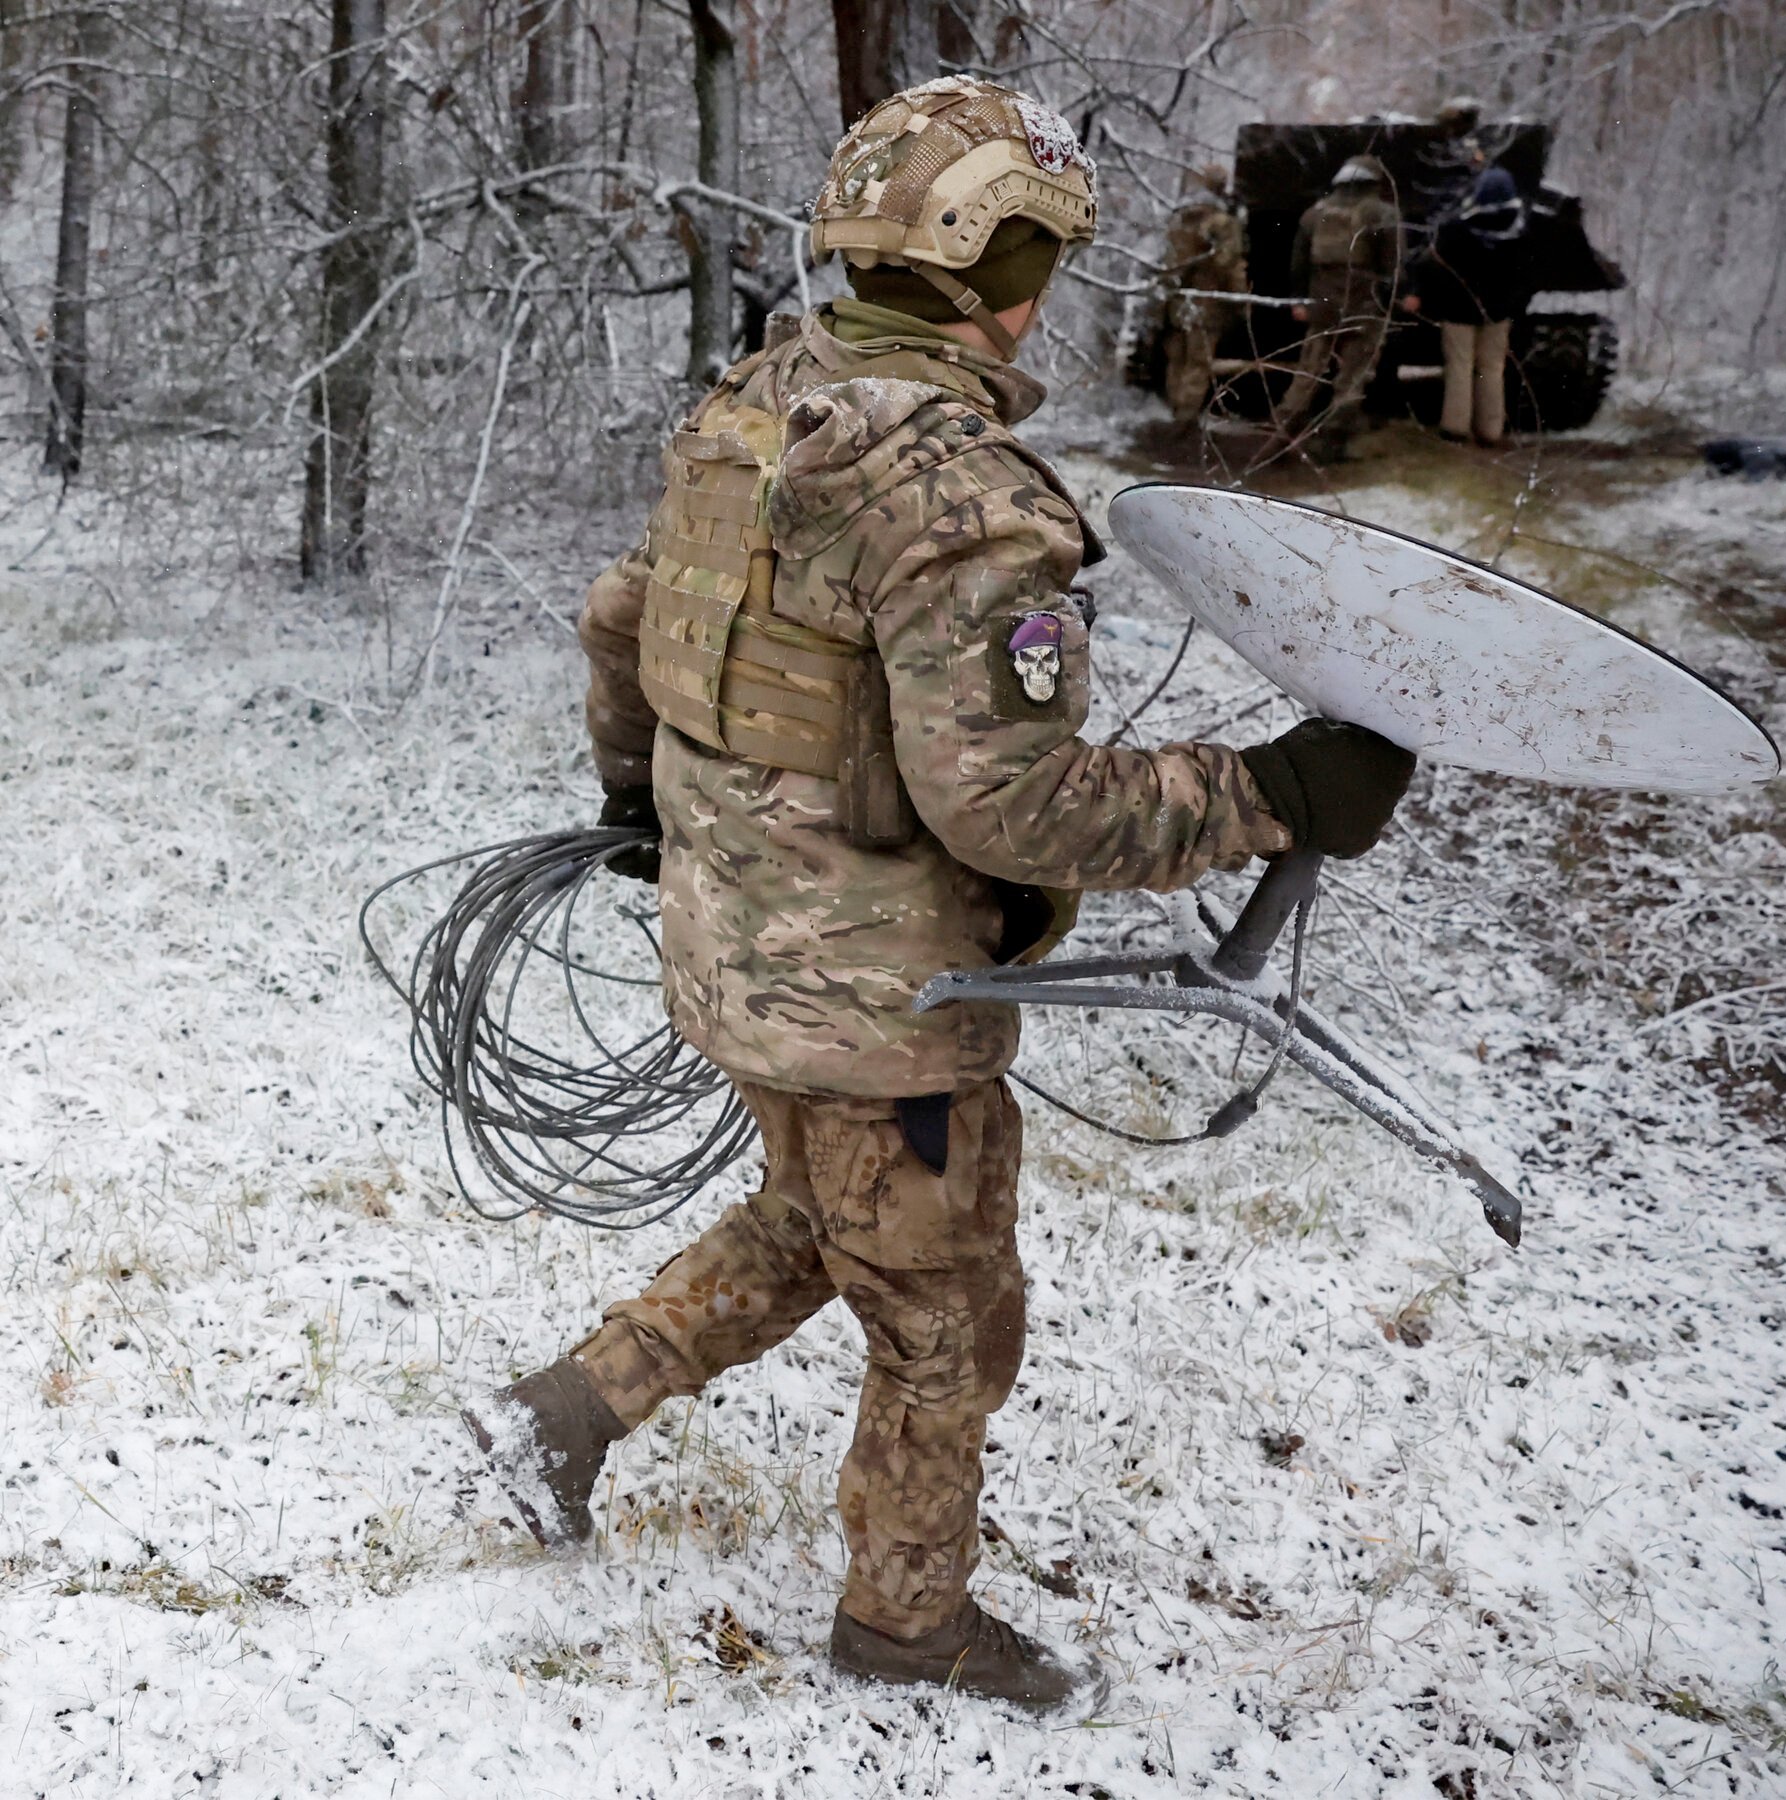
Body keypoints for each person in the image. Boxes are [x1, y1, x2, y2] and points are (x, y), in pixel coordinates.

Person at [463, 77, 1414, 1714]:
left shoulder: (758, 400)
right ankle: (905, 1624)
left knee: (819, 1224)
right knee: (949, 1312)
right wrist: (1269, 797)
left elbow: (625, 619)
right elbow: (1017, 802)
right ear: (999, 265)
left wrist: (638, 800)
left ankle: (562, 1414)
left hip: (737, 950)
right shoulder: (955, 492)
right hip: (876, 1005)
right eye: (1043, 247)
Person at [1271, 155, 1402, 454]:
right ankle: (1333, 442)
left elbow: (1298, 265)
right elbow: (1392, 267)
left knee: (1308, 374)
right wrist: (1386, 303)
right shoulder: (1383, 214)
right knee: (1352, 378)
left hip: (1323, 305)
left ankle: (1280, 433)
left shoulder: (1314, 214)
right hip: (1363, 306)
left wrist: (1301, 300)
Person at [1413, 166, 1533, 445]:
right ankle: (1491, 430)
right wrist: (1511, 305)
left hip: (1458, 311)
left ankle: (1456, 427)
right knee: (1491, 369)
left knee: (1460, 367)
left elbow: (1431, 266)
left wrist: (1432, 298)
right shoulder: (1520, 233)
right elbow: (1526, 276)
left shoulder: (1456, 230)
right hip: (1498, 313)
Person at [1158, 162, 1247, 424]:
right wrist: (1240, 299)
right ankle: (1185, 419)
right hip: (1208, 301)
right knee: (1198, 361)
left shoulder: (1181, 218)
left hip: (1178, 300)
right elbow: (1228, 264)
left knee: (1177, 357)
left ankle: (1174, 410)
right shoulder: (1221, 222)